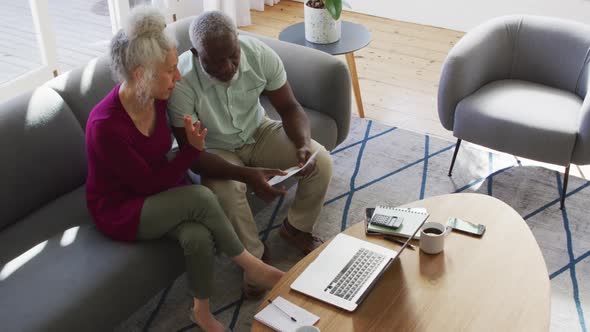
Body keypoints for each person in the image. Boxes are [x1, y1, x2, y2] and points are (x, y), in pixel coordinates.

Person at [84, 6, 283, 332]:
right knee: (202, 197)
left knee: (198, 235)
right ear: (140, 75)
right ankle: (253, 264)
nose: (179, 77)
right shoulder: (105, 126)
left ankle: (200, 313)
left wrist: (191, 146)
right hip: (123, 207)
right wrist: (190, 150)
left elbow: (163, 165)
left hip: (159, 188)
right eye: (170, 70)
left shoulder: (157, 97)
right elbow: (146, 184)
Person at [167, 11, 333, 267]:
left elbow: (289, 107)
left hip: (258, 130)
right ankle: (254, 260)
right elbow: (192, 155)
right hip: (212, 150)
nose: (228, 68)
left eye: (233, 56)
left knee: (320, 160)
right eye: (216, 61)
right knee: (226, 194)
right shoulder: (180, 80)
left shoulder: (258, 54)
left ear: (238, 41)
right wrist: (247, 175)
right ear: (196, 54)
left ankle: (296, 228)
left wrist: (302, 143)